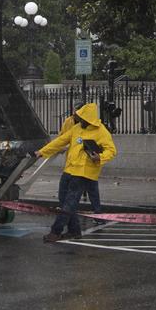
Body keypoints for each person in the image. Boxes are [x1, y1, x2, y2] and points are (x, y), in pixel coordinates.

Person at [33, 102, 117, 243]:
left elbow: (111, 150)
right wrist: (41, 152)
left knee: (69, 203)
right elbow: (60, 141)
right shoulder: (76, 128)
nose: (78, 119)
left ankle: (56, 231)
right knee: (63, 199)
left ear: (88, 119)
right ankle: (74, 231)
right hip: (70, 169)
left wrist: (100, 157)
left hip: (84, 172)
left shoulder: (101, 131)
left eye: (81, 117)